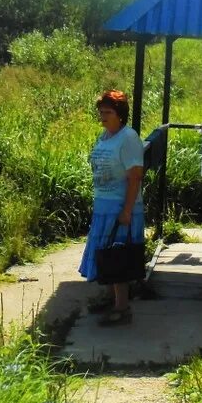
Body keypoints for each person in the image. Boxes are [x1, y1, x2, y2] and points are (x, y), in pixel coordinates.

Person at [78, 90, 144, 326]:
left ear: (120, 115)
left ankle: (122, 309)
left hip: (120, 208)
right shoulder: (105, 136)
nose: (103, 117)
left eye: (108, 112)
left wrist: (126, 211)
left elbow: (135, 176)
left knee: (118, 257)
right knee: (105, 255)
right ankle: (109, 298)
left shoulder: (128, 138)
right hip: (103, 205)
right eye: (101, 112)